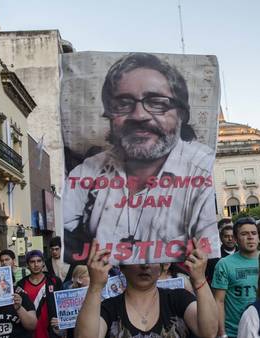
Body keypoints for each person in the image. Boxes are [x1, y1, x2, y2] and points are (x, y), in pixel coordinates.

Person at [63, 52, 218, 265]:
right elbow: (64, 230)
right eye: (123, 104)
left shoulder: (201, 169)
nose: (139, 115)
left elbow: (206, 247)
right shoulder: (87, 171)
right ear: (110, 115)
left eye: (157, 103)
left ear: (182, 113)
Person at [74, 238, 218, 338]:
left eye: (152, 258)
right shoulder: (108, 308)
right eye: (137, 258)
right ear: (122, 267)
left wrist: (199, 280)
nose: (145, 265)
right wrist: (95, 287)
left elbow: (209, 332)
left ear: (162, 266)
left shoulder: (178, 299)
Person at [213, 217, 260, 338]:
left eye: (254, 233)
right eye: (244, 234)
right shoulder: (224, 264)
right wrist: (222, 333)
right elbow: (219, 301)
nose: (250, 237)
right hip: (235, 332)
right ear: (235, 239)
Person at [16, 250, 63, 338]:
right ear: (27, 265)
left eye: (39, 261)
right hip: (29, 333)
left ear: (43, 263)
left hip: (51, 332)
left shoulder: (54, 281)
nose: (36, 264)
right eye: (32, 262)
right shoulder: (21, 285)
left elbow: (63, 305)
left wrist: (61, 320)